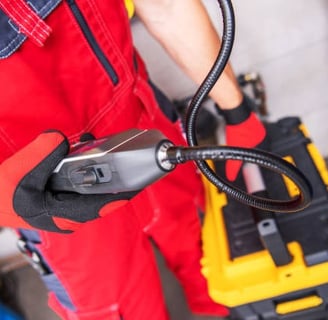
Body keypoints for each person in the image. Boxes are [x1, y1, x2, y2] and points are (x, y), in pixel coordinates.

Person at [0, 0, 266, 319]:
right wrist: (6, 199)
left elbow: (166, 7)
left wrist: (235, 109)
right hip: (45, 192)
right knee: (118, 308)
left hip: (140, 122)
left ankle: (230, 310)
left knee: (207, 244)